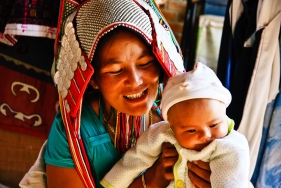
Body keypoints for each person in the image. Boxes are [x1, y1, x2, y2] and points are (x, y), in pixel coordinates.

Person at [19, 0, 212, 188]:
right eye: (116, 70)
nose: (136, 81)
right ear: (92, 78)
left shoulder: (182, 116)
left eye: (145, 64)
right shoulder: (75, 132)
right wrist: (151, 182)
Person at [101, 62, 250, 188]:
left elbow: (232, 181)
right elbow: (137, 157)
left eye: (214, 125)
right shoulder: (162, 133)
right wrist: (113, 183)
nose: (205, 135)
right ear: (172, 126)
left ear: (224, 116)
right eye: (191, 130)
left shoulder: (231, 147)